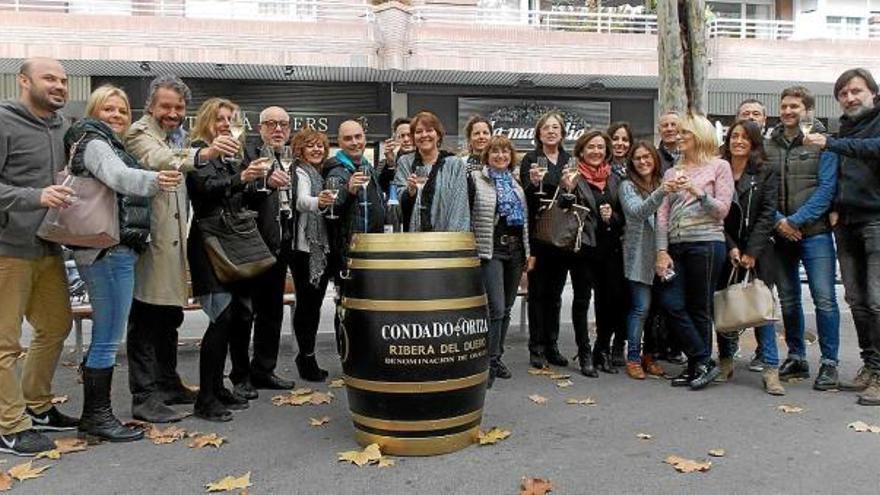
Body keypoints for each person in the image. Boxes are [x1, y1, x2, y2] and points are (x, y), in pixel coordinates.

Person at [67, 85, 183, 441]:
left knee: (109, 333)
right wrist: (156, 179)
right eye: (109, 110)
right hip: (107, 250)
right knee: (107, 337)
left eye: (121, 110)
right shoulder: (95, 141)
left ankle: (96, 415)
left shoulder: (106, 142)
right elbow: (120, 178)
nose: (116, 116)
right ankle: (97, 416)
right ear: (94, 111)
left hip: (114, 249)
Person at [123, 75, 236, 422]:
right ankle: (143, 397)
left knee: (168, 317)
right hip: (149, 241)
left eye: (178, 107)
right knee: (144, 318)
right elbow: (160, 159)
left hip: (175, 242)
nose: (172, 113)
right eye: (166, 106)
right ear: (151, 107)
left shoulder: (179, 137)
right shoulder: (140, 133)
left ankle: (168, 383)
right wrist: (206, 152)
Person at [0, 57, 78, 455]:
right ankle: (9, 426)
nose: (60, 85)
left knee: (55, 326)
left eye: (64, 80)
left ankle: (38, 405)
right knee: (5, 343)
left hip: (48, 245)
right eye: (50, 78)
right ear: (24, 81)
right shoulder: (3, 120)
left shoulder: (62, 127)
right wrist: (35, 196)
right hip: (7, 249)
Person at [187, 98, 271, 421]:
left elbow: (236, 194)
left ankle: (218, 388)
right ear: (207, 121)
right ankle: (205, 399)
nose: (225, 124)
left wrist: (257, 182)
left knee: (234, 318)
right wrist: (241, 178)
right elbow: (205, 190)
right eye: (220, 118)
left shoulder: (228, 156)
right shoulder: (198, 150)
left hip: (230, 241)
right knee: (219, 320)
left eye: (231, 119)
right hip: (210, 244)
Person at [805, 68, 880, 405]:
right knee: (857, 300)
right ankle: (870, 365)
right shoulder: (846, 127)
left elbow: (871, 150)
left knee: (877, 300)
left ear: (873, 93)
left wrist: (831, 142)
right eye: (843, 94)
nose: (850, 98)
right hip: (846, 222)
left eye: (856, 91)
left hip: (876, 220)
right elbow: (839, 175)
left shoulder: (865, 128)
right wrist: (834, 206)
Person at [764, 86, 841, 392]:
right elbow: (762, 191)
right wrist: (779, 222)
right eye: (784, 106)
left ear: (807, 110)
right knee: (789, 300)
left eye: (795, 106)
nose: (788, 111)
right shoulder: (768, 145)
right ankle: (797, 355)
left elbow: (826, 190)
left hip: (816, 234)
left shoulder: (823, 144)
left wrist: (794, 221)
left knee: (824, 299)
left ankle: (830, 363)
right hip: (780, 236)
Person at [655, 113, 734, 390]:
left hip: (707, 243)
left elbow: (722, 209)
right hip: (676, 246)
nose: (679, 137)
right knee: (671, 302)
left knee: (699, 307)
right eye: (678, 134)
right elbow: (662, 215)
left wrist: (697, 191)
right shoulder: (671, 171)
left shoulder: (719, 166)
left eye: (685, 133)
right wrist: (661, 251)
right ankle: (703, 360)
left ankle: (694, 368)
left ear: (699, 135)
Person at [229, 106, 296, 399]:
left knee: (271, 312)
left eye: (283, 124)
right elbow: (234, 192)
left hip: (280, 245)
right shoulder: (248, 153)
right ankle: (241, 375)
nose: (278, 129)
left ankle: (264, 370)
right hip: (251, 245)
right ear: (260, 128)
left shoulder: (288, 157)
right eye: (271, 124)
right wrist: (264, 183)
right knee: (244, 314)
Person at [714, 120, 782, 395]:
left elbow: (767, 214)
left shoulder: (766, 171)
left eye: (744, 137)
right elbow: (716, 212)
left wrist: (752, 252)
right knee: (726, 303)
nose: (738, 141)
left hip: (759, 249)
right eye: (734, 136)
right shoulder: (720, 169)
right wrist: (731, 246)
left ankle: (771, 369)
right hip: (725, 246)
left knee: (760, 308)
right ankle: (726, 361)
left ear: (754, 142)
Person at [560, 130, 627, 375]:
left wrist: (613, 217)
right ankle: (585, 351)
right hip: (583, 248)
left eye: (600, 147)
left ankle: (602, 349)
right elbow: (562, 211)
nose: (596, 151)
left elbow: (624, 216)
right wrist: (567, 190)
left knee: (608, 302)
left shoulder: (615, 179)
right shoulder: (572, 177)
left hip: (610, 249)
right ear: (581, 150)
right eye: (591, 147)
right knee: (581, 300)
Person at [323, 120, 386, 369]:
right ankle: (349, 357)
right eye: (348, 138)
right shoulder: (337, 171)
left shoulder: (366, 166)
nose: (355, 142)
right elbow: (332, 211)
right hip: (349, 253)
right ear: (339, 142)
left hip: (370, 252)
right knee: (347, 308)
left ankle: (365, 354)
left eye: (358, 137)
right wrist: (348, 192)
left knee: (368, 305)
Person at [470, 135, 531, 388]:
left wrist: (528, 253)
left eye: (505, 152)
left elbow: (525, 222)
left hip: (515, 251)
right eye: (495, 152)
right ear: (487, 155)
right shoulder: (476, 179)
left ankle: (497, 357)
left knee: (506, 308)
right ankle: (488, 361)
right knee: (495, 308)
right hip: (490, 249)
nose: (500, 156)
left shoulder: (516, 184)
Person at [518, 112, 575, 370]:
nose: (551, 131)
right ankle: (536, 347)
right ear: (538, 133)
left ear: (562, 133)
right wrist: (533, 184)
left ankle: (552, 345)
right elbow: (526, 198)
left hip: (561, 233)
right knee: (538, 293)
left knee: (555, 294)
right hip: (538, 233)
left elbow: (573, 198)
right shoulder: (530, 159)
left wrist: (568, 189)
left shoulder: (568, 159)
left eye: (555, 127)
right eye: (546, 128)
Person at [619, 141, 669, 379]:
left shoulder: (662, 183)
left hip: (664, 255)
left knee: (658, 311)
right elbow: (638, 212)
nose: (643, 162)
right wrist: (662, 192)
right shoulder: (627, 186)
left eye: (647, 157)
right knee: (641, 308)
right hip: (639, 256)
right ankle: (633, 358)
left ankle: (651, 356)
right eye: (638, 158)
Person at [290, 128, 335, 381]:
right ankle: (306, 359)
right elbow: (300, 201)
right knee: (308, 307)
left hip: (313, 249)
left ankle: (307, 356)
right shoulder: (300, 171)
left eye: (320, 146)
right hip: (305, 250)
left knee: (313, 306)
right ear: (300, 150)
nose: (317, 150)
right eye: (311, 146)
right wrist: (321, 201)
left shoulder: (316, 172)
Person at [394, 111, 471, 232]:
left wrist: (450, 242)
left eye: (429, 130)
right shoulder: (405, 163)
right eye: (418, 132)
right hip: (412, 240)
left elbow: (459, 206)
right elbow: (396, 204)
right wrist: (409, 193)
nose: (424, 135)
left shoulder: (454, 164)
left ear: (438, 135)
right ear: (414, 137)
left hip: (446, 240)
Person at [378, 117, 414, 193]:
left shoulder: (425, 161)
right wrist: (390, 164)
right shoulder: (384, 163)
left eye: (409, 135)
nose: (406, 140)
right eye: (402, 136)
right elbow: (382, 189)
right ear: (395, 139)